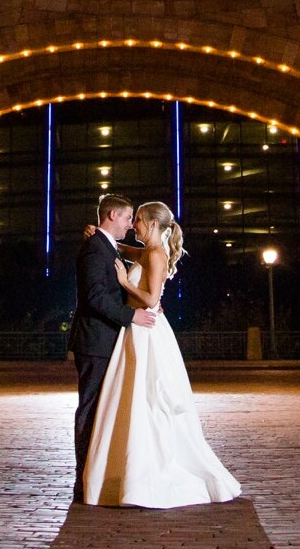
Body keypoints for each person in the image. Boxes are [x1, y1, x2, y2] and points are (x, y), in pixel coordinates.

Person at [80, 200, 242, 509]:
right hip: (139, 329)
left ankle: (140, 476)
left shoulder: (155, 253)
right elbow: (124, 250)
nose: (133, 225)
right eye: (131, 219)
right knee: (135, 397)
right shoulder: (149, 251)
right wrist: (97, 233)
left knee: (144, 398)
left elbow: (151, 299)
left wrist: (125, 282)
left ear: (153, 224)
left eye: (138, 220)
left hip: (145, 328)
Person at [71, 194, 156, 502]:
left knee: (104, 410)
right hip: (96, 341)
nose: (130, 224)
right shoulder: (95, 249)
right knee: (91, 408)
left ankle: (99, 473)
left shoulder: (106, 246)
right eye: (126, 217)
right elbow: (95, 297)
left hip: (108, 339)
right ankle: (84, 480)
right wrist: (131, 315)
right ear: (111, 215)